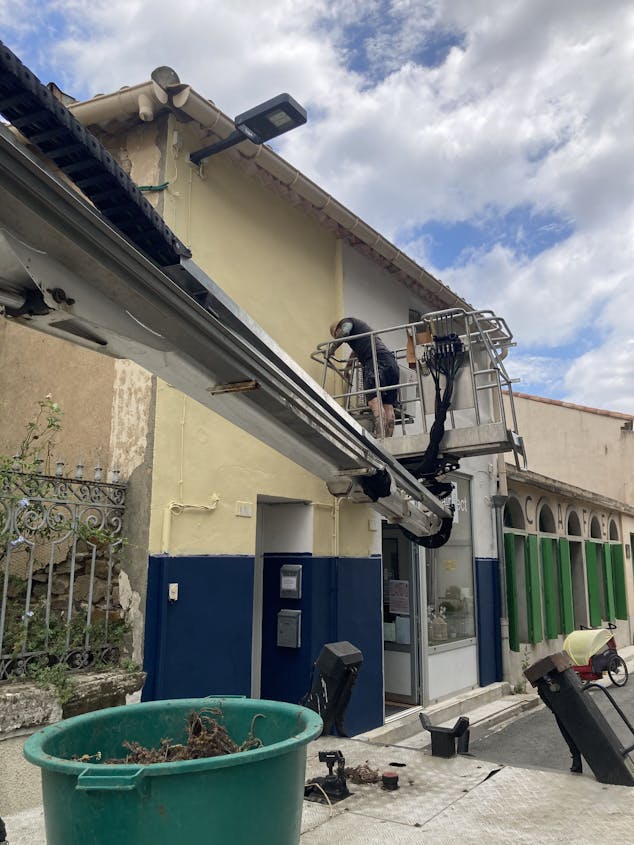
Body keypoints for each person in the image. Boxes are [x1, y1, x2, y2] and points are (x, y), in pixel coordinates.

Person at [329, 316, 400, 437]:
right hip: (391, 363)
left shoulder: (347, 322)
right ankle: (388, 440)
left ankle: (380, 438)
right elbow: (355, 352)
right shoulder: (362, 333)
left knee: (374, 401)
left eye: (337, 336)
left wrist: (332, 348)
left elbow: (345, 331)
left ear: (337, 329)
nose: (342, 339)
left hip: (376, 362)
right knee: (388, 406)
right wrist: (348, 368)